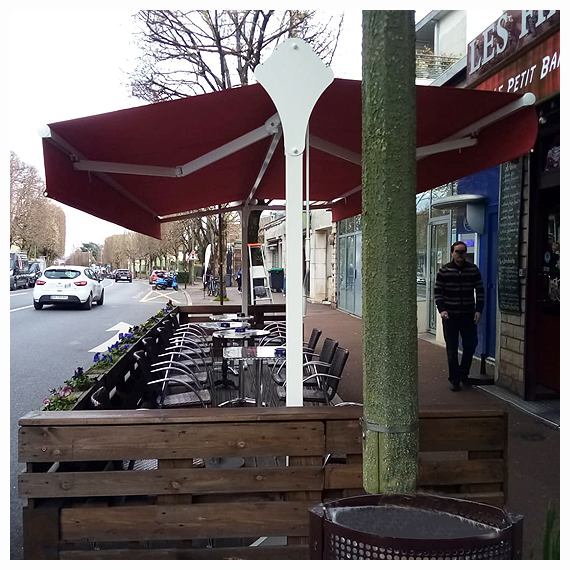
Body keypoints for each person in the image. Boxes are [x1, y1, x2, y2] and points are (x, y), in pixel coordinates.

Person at [434, 241, 484, 391]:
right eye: (457, 251)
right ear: (452, 253)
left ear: (466, 253)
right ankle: (454, 379)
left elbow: (480, 291)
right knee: (452, 348)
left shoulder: (473, 270)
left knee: (471, 345)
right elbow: (438, 292)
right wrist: (442, 310)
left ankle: (463, 373)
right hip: (450, 316)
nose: (460, 254)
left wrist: (479, 310)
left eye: (462, 252)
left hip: (468, 315)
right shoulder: (444, 270)